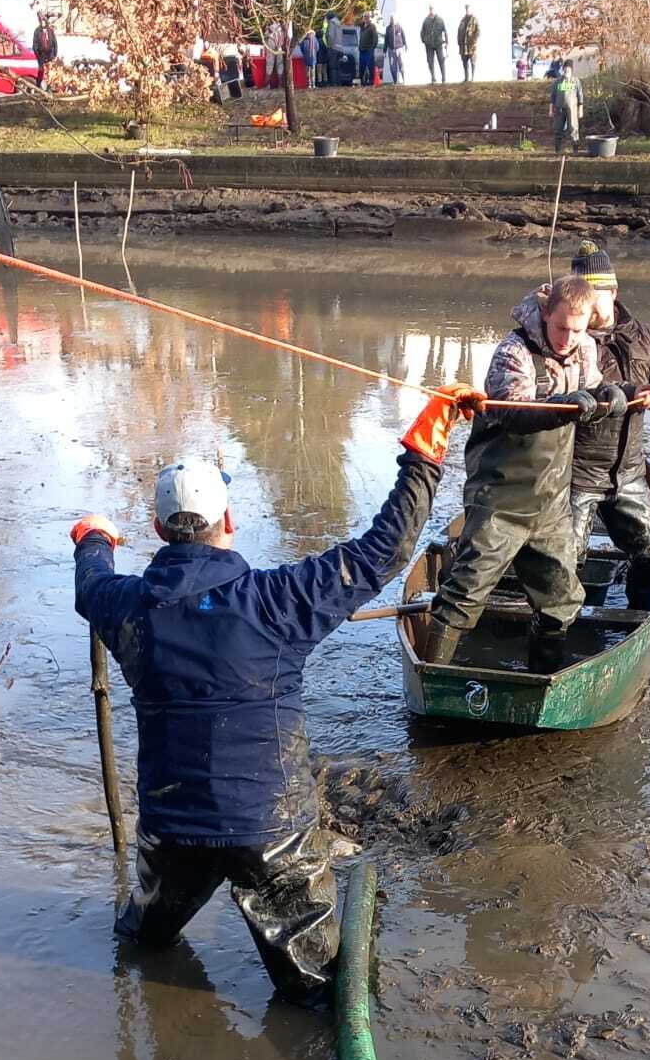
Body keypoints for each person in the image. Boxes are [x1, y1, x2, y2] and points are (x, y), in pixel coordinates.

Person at [70, 429, 462, 1004]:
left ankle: (149, 997)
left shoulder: (126, 606)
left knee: (142, 943)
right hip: (271, 833)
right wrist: (423, 458)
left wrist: (94, 538)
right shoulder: (278, 600)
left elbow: (90, 583)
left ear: (157, 529)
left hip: (171, 829)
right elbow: (385, 549)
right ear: (227, 521)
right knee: (316, 989)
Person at [426, 276, 625, 673]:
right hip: (499, 500)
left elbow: (594, 388)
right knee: (463, 594)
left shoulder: (586, 349)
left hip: (550, 503)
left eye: (577, 330)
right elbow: (514, 414)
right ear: (546, 313)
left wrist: (611, 394)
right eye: (561, 327)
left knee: (561, 602)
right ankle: (430, 677)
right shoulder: (513, 352)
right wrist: (563, 405)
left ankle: (544, 678)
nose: (568, 338)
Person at [565, 243, 650, 606]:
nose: (585, 306)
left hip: (628, 472)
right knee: (565, 559)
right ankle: (560, 624)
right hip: (576, 473)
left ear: (613, 291)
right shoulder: (568, 336)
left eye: (592, 295)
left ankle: (638, 610)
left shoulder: (644, 337)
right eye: (579, 296)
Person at [550, 60, 584, 154]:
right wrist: (550, 110)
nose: (566, 71)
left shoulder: (576, 81)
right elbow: (552, 97)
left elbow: (580, 95)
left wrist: (580, 109)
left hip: (572, 109)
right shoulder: (557, 82)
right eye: (565, 69)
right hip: (559, 109)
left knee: (573, 128)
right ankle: (558, 150)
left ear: (571, 70)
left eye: (568, 69)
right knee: (558, 128)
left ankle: (575, 150)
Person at [420, 6, 447, 83]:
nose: (431, 10)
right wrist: (424, 41)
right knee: (430, 62)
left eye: (432, 9)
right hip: (429, 45)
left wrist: (446, 42)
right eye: (430, 9)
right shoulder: (425, 20)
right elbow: (422, 32)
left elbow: (445, 31)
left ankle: (444, 78)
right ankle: (433, 78)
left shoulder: (440, 20)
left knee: (441, 60)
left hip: (438, 43)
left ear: (434, 10)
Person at [32, 13, 57, 88]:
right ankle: (39, 85)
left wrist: (55, 54)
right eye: (41, 22)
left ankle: (49, 86)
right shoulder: (37, 31)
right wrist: (37, 54)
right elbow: (35, 43)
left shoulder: (50, 30)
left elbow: (54, 42)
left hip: (50, 54)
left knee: (49, 72)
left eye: (44, 21)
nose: (43, 23)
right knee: (41, 71)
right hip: (41, 54)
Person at [457, 5, 480, 82]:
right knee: (464, 62)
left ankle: (472, 78)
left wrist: (474, 40)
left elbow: (478, 31)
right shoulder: (463, 20)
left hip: (471, 45)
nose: (467, 10)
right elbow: (459, 31)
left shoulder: (474, 19)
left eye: (468, 9)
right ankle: (466, 78)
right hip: (463, 46)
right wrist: (459, 41)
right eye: (466, 9)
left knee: (473, 61)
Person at [384, 15, 406, 83]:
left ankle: (404, 80)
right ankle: (395, 81)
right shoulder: (388, 28)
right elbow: (386, 40)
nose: (392, 20)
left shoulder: (399, 27)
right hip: (391, 50)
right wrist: (384, 50)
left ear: (396, 19)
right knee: (393, 66)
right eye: (391, 19)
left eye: (393, 19)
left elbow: (403, 37)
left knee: (401, 64)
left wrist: (405, 46)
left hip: (399, 49)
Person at [358, 13, 378, 86]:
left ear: (369, 18)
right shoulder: (362, 27)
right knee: (362, 66)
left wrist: (372, 48)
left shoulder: (372, 26)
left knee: (370, 66)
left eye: (367, 17)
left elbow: (375, 38)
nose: (365, 18)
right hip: (362, 50)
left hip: (369, 50)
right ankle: (362, 81)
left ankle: (371, 81)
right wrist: (359, 47)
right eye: (364, 17)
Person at [325, 11, 343, 86]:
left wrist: (329, 45)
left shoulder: (332, 23)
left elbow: (330, 35)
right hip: (340, 48)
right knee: (338, 66)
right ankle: (339, 82)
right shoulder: (339, 23)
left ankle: (333, 83)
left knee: (332, 67)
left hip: (333, 48)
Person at [265, 18, 283, 89]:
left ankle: (267, 85)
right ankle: (280, 84)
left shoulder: (270, 27)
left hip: (271, 43)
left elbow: (265, 36)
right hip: (279, 46)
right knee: (280, 65)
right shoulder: (282, 27)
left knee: (270, 64)